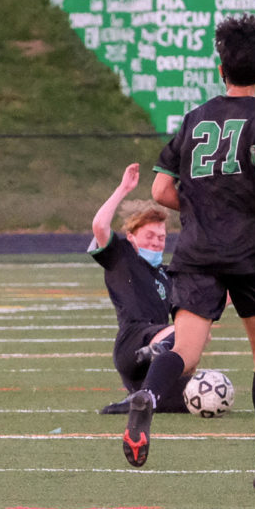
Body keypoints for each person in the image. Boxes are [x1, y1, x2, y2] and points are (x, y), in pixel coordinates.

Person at [121, 14, 255, 495]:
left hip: (198, 247)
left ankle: (146, 393)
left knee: (185, 350)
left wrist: (199, 204)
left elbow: (161, 188)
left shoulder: (194, 118)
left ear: (220, 67)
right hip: (251, 249)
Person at [89, 162, 189, 415]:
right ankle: (158, 351)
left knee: (190, 396)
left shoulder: (166, 274)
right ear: (132, 236)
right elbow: (100, 226)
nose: (156, 242)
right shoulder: (121, 256)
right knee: (185, 332)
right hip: (132, 342)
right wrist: (123, 189)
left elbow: (202, 302)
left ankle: (136, 397)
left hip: (157, 348)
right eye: (150, 236)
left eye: (161, 237)